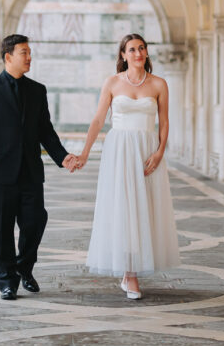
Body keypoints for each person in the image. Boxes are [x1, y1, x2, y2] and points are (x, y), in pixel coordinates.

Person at [0, 33, 78, 299]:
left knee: (35, 220)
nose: (29, 57)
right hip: (1, 170)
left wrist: (62, 156)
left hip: (30, 171)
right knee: (2, 229)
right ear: (8, 57)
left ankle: (24, 268)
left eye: (29, 52)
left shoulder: (37, 90)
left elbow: (45, 130)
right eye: (24, 53)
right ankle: (6, 280)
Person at [76, 32, 180, 299]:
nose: (138, 53)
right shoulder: (112, 83)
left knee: (143, 208)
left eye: (142, 48)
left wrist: (159, 153)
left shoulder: (159, 84)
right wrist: (85, 153)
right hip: (119, 151)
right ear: (123, 55)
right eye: (132, 49)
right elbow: (99, 120)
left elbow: (165, 122)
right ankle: (130, 274)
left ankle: (130, 271)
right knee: (123, 208)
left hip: (146, 151)